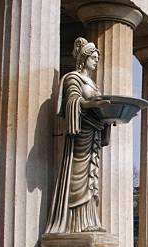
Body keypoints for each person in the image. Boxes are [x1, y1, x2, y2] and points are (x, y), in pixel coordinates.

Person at [45, 37, 111, 234]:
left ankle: (89, 219)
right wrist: (92, 104)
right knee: (77, 177)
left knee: (91, 179)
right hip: (80, 133)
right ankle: (75, 224)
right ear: (84, 58)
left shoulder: (92, 83)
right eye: (93, 57)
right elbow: (71, 102)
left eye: (97, 58)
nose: (96, 61)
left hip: (94, 133)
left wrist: (107, 117)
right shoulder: (73, 78)